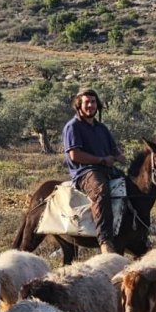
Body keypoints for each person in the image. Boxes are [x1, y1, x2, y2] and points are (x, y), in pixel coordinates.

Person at [62, 87, 126, 255]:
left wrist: (120, 157)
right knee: (100, 190)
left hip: (105, 169)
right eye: (86, 102)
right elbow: (75, 155)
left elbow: (113, 149)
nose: (90, 105)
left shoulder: (101, 128)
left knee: (131, 185)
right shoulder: (73, 126)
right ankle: (105, 241)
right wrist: (101, 160)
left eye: (93, 102)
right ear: (79, 105)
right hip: (85, 172)